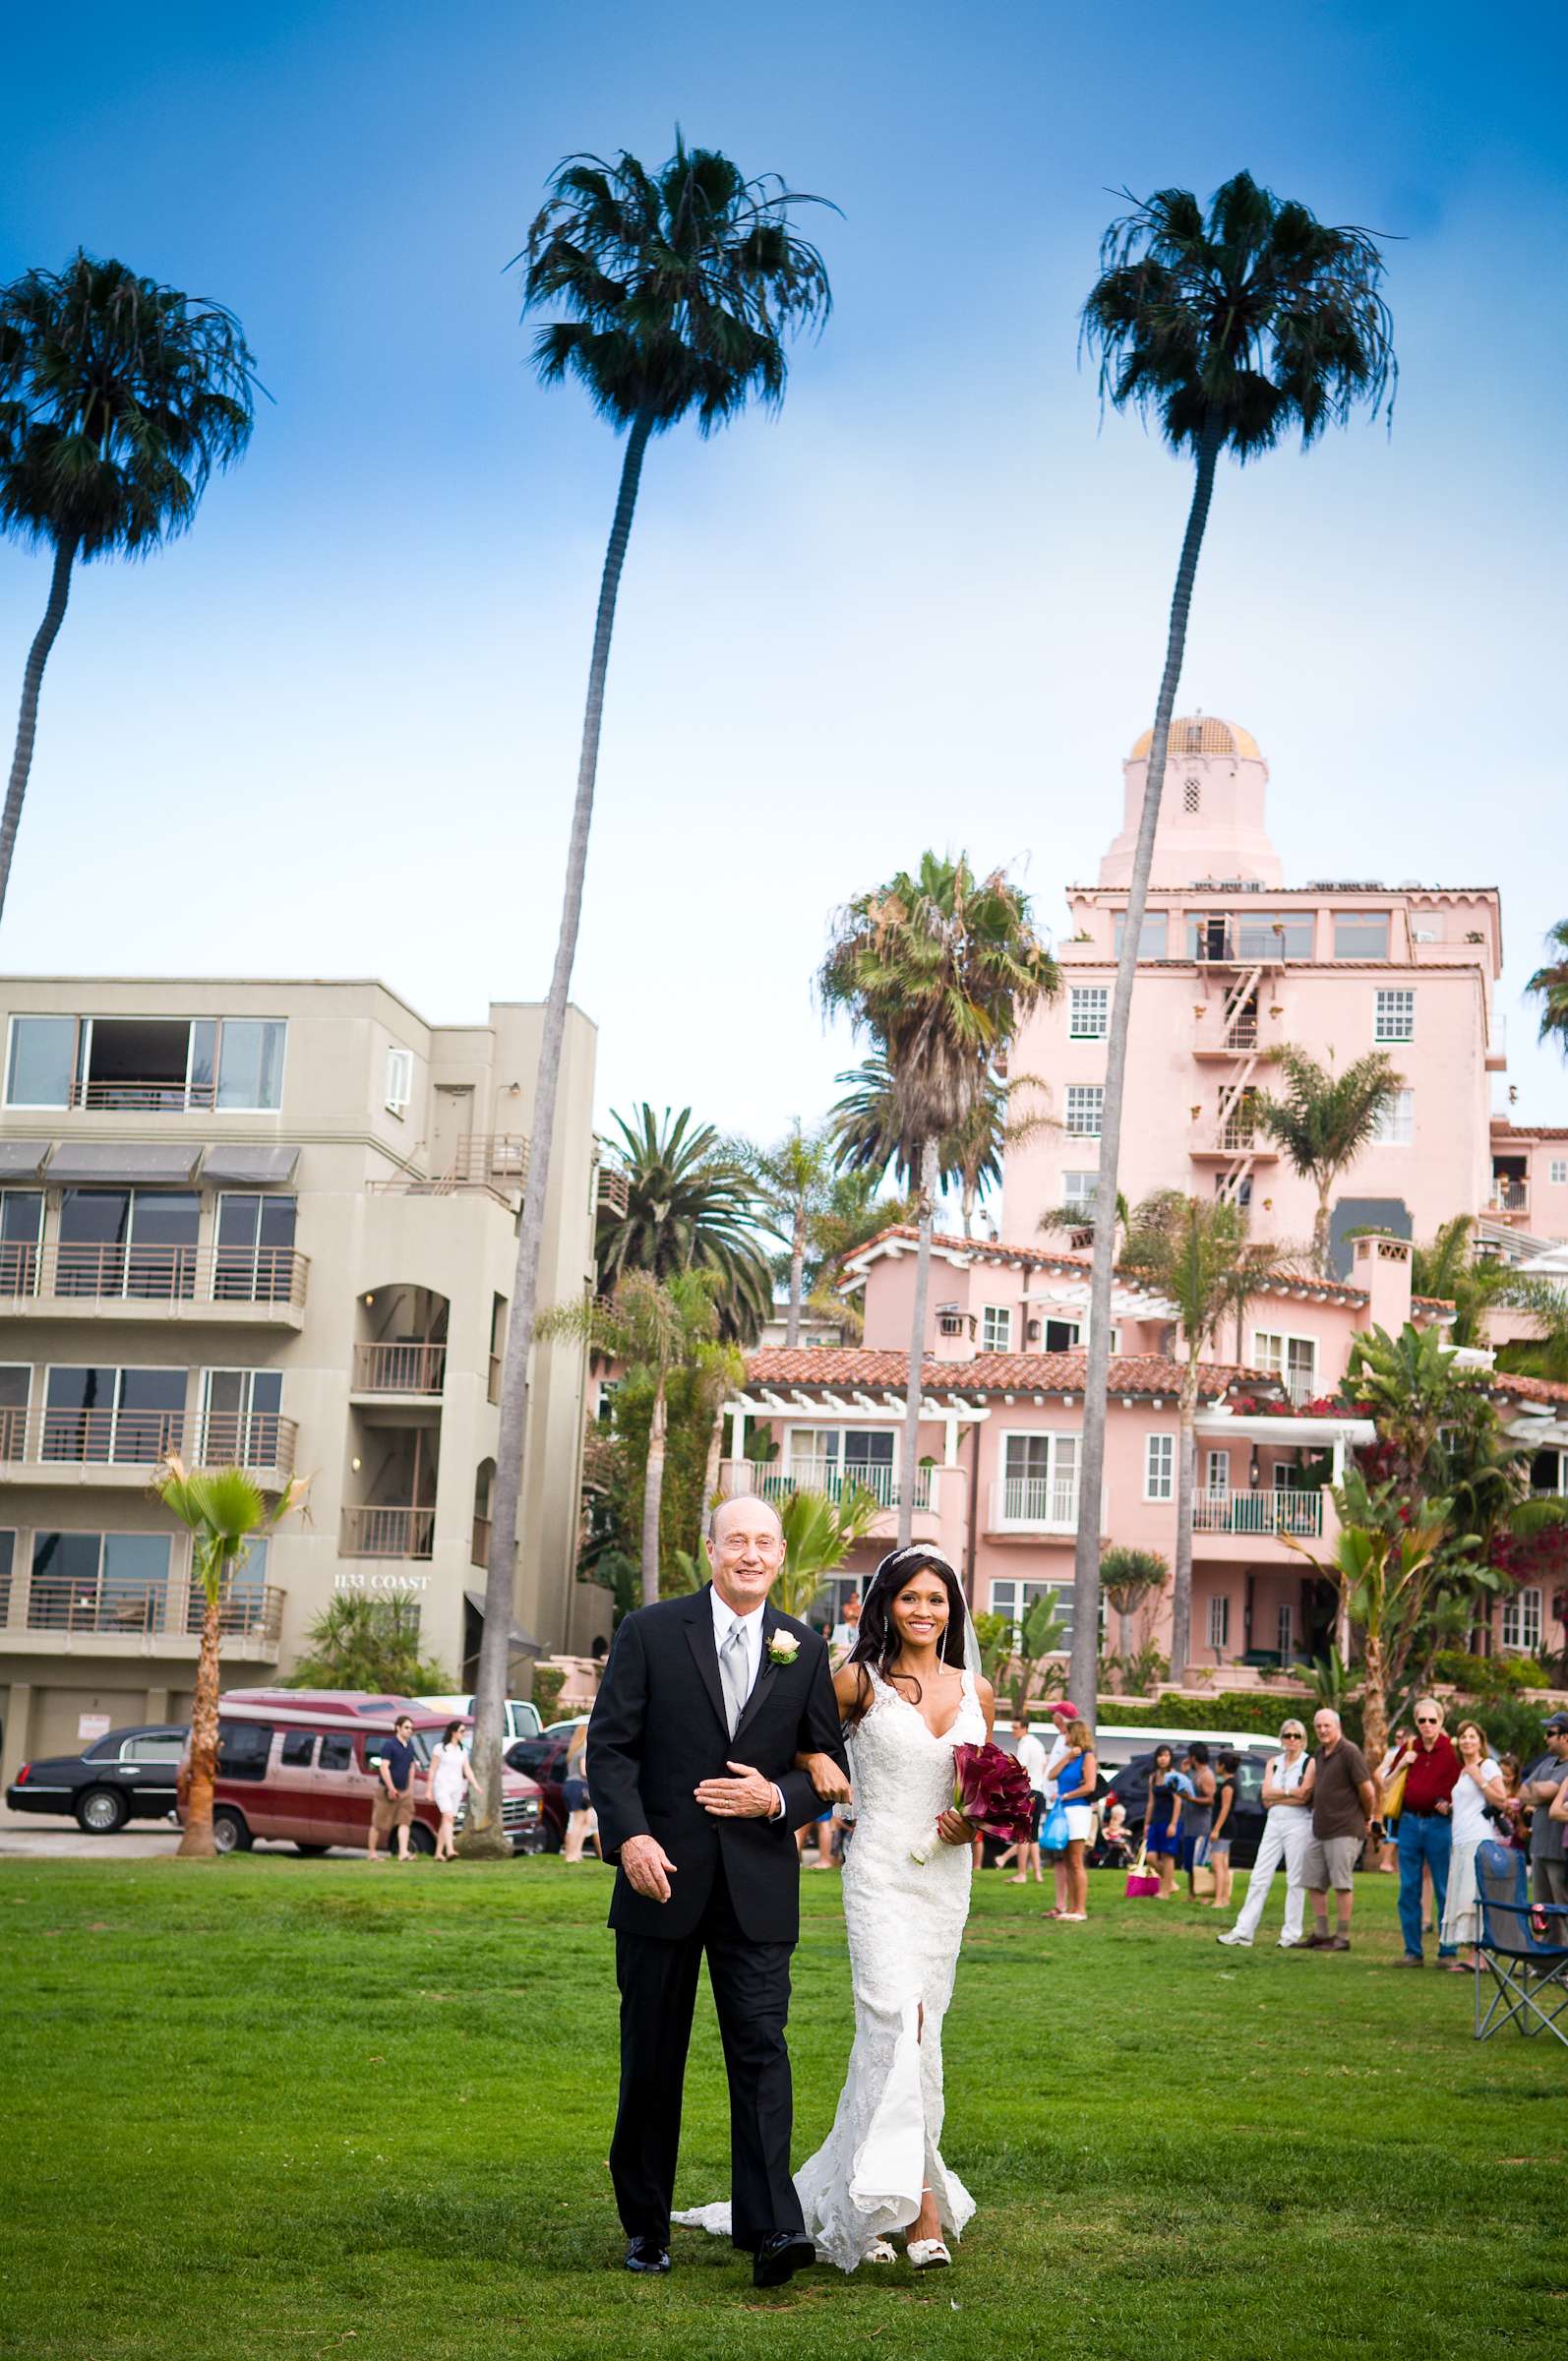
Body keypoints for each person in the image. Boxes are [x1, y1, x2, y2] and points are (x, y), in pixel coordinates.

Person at [678, 1544, 995, 2273]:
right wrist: (820, 1761)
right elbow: (786, 1728)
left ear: (953, 1610)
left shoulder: (976, 1691)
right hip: (880, 1871)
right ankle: (920, 2213)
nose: (924, 1611)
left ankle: (865, 2200)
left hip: (945, 1879)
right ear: (884, 1604)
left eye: (937, 1599)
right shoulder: (856, 1681)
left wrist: (975, 1820)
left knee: (920, 2033)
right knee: (896, 2022)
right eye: (910, 1597)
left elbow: (991, 1785)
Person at [585, 1493, 849, 2286]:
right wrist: (630, 1836)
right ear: (710, 1550)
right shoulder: (650, 1632)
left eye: (764, 1543)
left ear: (779, 1558)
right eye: (737, 1540)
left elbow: (825, 1769)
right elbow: (611, 1751)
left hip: (758, 1888)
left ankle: (772, 2230)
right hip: (660, 1879)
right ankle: (645, 2229)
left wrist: (775, 1800)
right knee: (653, 2060)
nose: (751, 1553)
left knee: (763, 2054)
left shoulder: (802, 1647)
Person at [1218, 1721, 1314, 1949]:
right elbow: (1265, 1795)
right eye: (1288, 1735)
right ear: (1281, 1738)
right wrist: (1290, 1793)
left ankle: (1290, 1934)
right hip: (1274, 1821)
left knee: (1295, 1879)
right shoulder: (1274, 1763)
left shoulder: (1308, 1762)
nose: (1292, 1740)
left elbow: (1304, 1796)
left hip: (1298, 1822)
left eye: (1296, 1736)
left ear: (1303, 1739)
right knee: (1259, 1876)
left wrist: (1281, 1794)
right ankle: (1243, 1931)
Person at [1298, 1708, 1375, 1953]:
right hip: (1320, 1827)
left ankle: (1342, 1937)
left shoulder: (1350, 1752)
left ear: (1337, 1726)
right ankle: (1321, 1933)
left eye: (1326, 1726)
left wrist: (1367, 1816)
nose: (1322, 1730)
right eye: (1318, 1726)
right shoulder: (1319, 1753)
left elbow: (1368, 1790)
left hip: (1345, 1827)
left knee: (1342, 1883)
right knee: (1313, 1881)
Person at [1394, 1696, 1461, 1967]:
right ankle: (1413, 1951)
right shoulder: (1410, 1748)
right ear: (1416, 1722)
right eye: (1422, 1720)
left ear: (1441, 1721)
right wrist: (1401, 1764)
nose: (1427, 1725)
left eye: (1432, 1720)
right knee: (1408, 1888)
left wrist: (1453, 1806)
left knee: (1445, 1888)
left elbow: (1469, 1785)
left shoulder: (1452, 1751)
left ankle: (1448, 1951)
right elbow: (1385, 1781)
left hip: (1439, 1824)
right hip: (1409, 1822)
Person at [1439, 1719, 1507, 1972]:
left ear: (1480, 1741)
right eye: (1463, 1737)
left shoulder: (1487, 1766)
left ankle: (1478, 1956)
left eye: (1472, 1736)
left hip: (1478, 1839)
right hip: (1460, 1839)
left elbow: (1501, 1800)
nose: (1467, 1741)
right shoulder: (1462, 1770)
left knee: (1474, 1896)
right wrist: (1450, 1808)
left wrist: (1480, 1779)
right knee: (1463, 1895)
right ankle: (1473, 1952)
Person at [1521, 1712, 1568, 1907]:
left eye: (1550, 1733)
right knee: (1540, 1911)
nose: (1545, 1738)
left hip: (1559, 1854)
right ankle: (1543, 1939)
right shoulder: (1547, 1763)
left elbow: (1549, 1791)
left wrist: (1540, 1791)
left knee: (1561, 1909)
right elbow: (1522, 1793)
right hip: (1538, 1849)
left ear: (1565, 1737)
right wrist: (1539, 1792)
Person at [1054, 1718, 1097, 1919]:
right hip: (1064, 1811)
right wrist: (1066, 1758)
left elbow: (1090, 1786)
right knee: (1068, 1860)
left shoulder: (1088, 1757)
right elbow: (1051, 1775)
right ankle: (1071, 1907)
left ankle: (1081, 1908)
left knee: (1076, 1860)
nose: (1065, 1736)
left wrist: (1067, 1796)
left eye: (1068, 1733)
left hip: (1078, 1811)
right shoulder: (1070, 1757)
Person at [368, 1714, 420, 1863]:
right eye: (406, 1728)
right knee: (378, 1822)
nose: (410, 1731)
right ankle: (372, 1853)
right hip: (386, 1790)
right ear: (398, 1728)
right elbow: (384, 1768)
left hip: (405, 1791)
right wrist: (391, 1788)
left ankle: (403, 1853)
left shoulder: (410, 1746)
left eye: (411, 1728)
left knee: (405, 1821)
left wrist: (410, 1788)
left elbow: (411, 1767)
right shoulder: (389, 1745)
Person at [1003, 1716, 1049, 1885]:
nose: (1013, 1731)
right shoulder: (1037, 1743)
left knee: (1022, 1835)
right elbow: (1043, 1765)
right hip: (1039, 1790)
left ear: (1024, 1728)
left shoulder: (1024, 1744)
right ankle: (1038, 1874)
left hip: (1028, 1792)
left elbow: (1020, 1769)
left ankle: (1022, 1874)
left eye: (1015, 1727)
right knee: (1034, 1835)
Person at [428, 1719, 477, 1861]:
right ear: (453, 1732)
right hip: (442, 1786)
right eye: (461, 1731)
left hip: (456, 1787)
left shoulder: (462, 1750)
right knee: (448, 1816)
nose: (464, 1734)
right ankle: (450, 1849)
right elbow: (432, 1769)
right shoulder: (440, 1748)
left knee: (448, 1820)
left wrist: (475, 1784)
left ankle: (438, 1853)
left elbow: (467, 1769)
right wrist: (429, 1789)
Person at [1144, 1744, 1183, 1899]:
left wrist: (1173, 1824)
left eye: (1166, 1755)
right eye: (1160, 1755)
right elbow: (1150, 1802)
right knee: (1151, 1857)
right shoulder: (1153, 1777)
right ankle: (1170, 1882)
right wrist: (1147, 1823)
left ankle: (1165, 1892)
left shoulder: (1174, 1777)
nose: (1163, 1759)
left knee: (1167, 1856)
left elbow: (1178, 1801)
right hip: (1156, 1821)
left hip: (1169, 1821)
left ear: (1170, 1758)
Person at [1374, 1725, 1416, 1872]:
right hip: (1396, 1799)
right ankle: (1386, 1863)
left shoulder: (1412, 1751)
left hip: (1407, 1800)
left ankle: (1394, 1865)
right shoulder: (1394, 1753)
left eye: (1399, 1737)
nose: (1396, 1740)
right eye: (1397, 1737)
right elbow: (1378, 1773)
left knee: (1400, 1834)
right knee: (1393, 1833)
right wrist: (1388, 1790)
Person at [561, 1721, 599, 1864]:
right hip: (579, 1787)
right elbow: (584, 1771)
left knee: (586, 1820)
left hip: (571, 1785)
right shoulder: (583, 1751)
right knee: (578, 1822)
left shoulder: (573, 1750)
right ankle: (570, 1854)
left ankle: (577, 1853)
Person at [1182, 1742, 1217, 1896]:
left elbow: (1210, 1800)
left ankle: (1202, 1894)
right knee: (1190, 1862)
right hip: (1190, 1824)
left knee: (1200, 1863)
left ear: (1193, 1757)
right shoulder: (1195, 1773)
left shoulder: (1207, 1775)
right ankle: (1192, 1893)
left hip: (1201, 1826)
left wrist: (1191, 1799)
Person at [1208, 1750, 1239, 1911]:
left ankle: (1219, 1899)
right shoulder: (1231, 1782)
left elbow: (1225, 1808)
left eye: (1217, 1763)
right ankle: (1224, 1898)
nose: (1215, 1766)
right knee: (1224, 1864)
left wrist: (1216, 1829)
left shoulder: (1228, 1786)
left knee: (1218, 1864)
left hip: (1224, 1827)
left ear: (1222, 1765)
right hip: (1228, 1827)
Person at [829, 1594, 863, 1661]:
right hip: (847, 1627)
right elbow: (847, 1614)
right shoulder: (846, 1606)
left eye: (855, 1597)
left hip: (856, 1628)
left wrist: (852, 1613)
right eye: (852, 1597)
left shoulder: (859, 1607)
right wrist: (854, 1614)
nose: (853, 1599)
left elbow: (859, 1615)